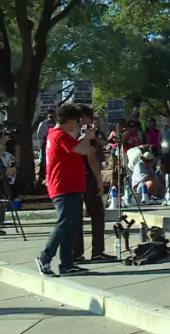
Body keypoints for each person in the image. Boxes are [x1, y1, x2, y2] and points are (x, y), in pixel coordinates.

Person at [36, 104, 94, 276]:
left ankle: (67, 264)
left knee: (71, 225)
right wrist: (87, 136)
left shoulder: (57, 135)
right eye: (76, 121)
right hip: (64, 186)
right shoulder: (60, 135)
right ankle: (45, 257)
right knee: (64, 224)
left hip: (71, 186)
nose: (77, 124)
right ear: (68, 121)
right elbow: (83, 149)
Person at [73, 105, 116, 263]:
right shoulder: (85, 133)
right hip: (86, 177)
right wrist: (98, 179)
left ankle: (76, 253)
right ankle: (97, 251)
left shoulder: (69, 132)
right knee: (97, 214)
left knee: (77, 217)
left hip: (74, 177)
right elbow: (90, 157)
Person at [36, 110, 56, 183]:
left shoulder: (56, 124)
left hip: (54, 145)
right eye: (50, 115)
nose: (51, 116)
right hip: (45, 145)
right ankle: (41, 178)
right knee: (43, 162)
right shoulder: (44, 123)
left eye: (53, 115)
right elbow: (39, 135)